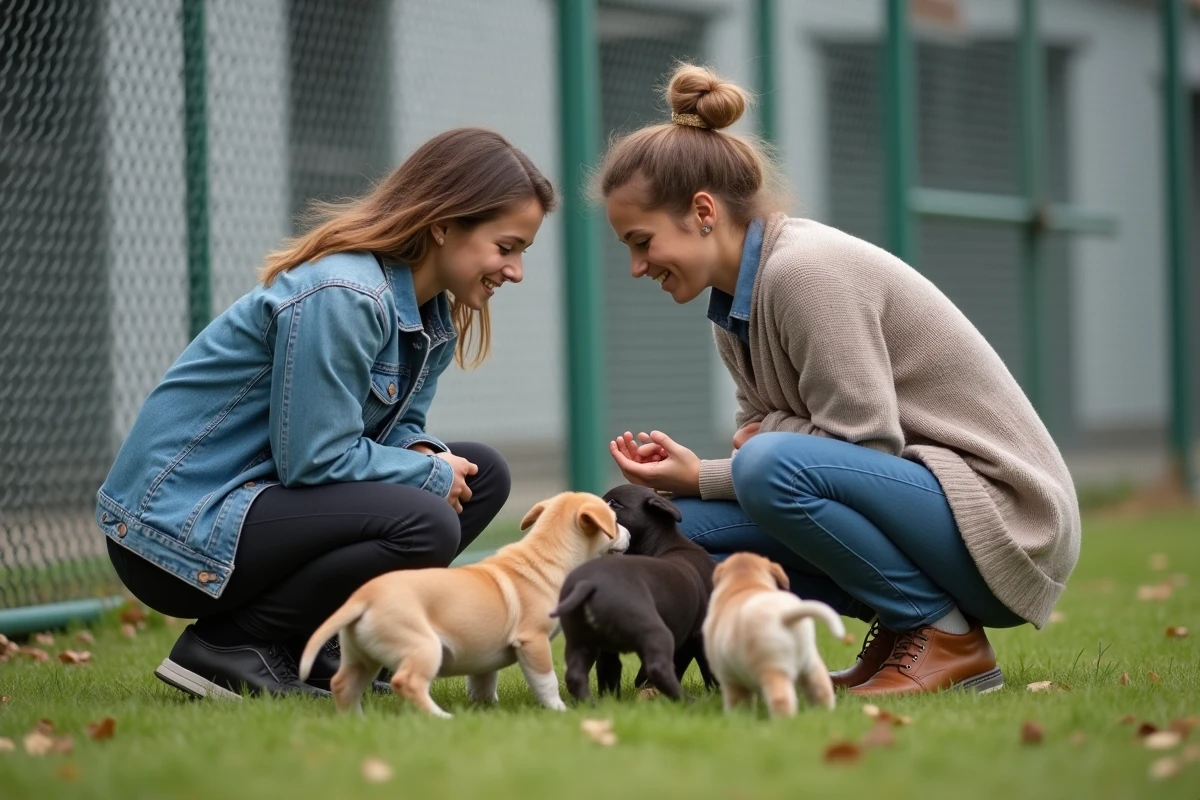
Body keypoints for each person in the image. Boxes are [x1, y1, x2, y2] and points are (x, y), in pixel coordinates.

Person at [601, 65, 1080, 696]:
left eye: (642, 242)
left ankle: (944, 635)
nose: (637, 267)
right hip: (920, 506)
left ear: (702, 212)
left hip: (1004, 519)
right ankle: (894, 630)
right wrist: (698, 478)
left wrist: (757, 444)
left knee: (769, 464)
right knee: (670, 534)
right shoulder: (730, 307)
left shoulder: (803, 272)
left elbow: (858, 443)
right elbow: (786, 447)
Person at [96, 127, 555, 698]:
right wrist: (430, 472)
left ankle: (316, 644)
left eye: (522, 253)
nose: (515, 271)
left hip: (255, 507)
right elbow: (314, 461)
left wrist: (421, 452)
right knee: (428, 517)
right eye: (505, 247)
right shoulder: (346, 295)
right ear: (444, 224)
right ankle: (230, 645)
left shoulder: (432, 313)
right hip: (176, 527)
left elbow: (398, 427)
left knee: (482, 474)